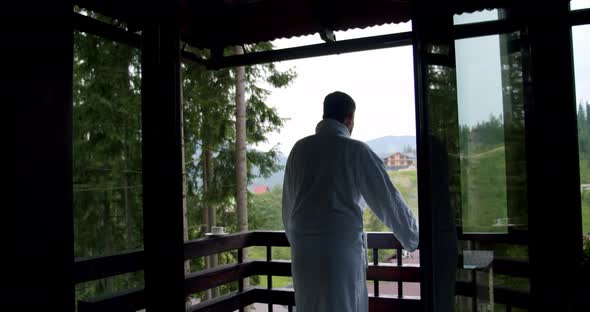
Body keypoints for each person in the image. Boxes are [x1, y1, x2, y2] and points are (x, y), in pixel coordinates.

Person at [282, 91, 419, 312]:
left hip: (304, 253)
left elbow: (288, 206)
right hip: (340, 253)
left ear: (325, 114)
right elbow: (388, 201)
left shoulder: (299, 149)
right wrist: (412, 236)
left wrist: (298, 240)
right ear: (349, 118)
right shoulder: (355, 151)